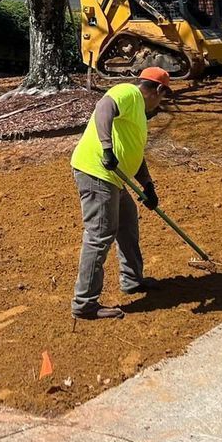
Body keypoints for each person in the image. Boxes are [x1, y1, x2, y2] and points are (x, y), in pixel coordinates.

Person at [68, 66, 172, 319]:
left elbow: (134, 151)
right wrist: (106, 148)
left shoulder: (138, 113)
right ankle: (84, 304)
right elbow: (103, 107)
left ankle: (132, 280)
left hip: (113, 178)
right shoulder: (128, 92)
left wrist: (147, 184)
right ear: (158, 89)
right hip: (97, 173)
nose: (161, 103)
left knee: (127, 223)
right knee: (100, 234)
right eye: (163, 96)